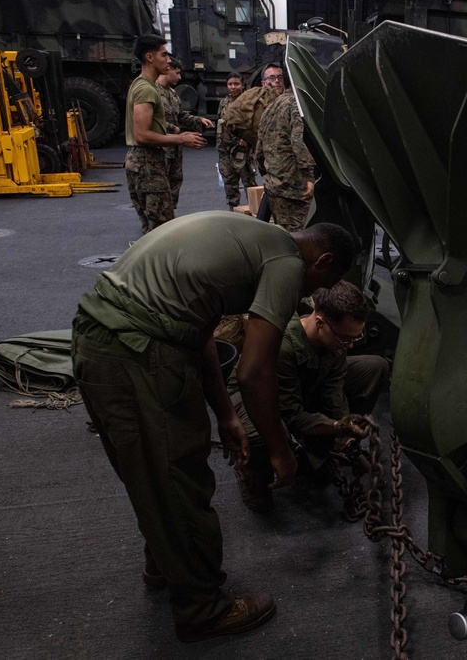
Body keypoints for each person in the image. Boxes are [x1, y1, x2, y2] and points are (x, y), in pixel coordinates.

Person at [71, 212, 356, 642]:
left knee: (153, 469)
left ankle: (167, 563)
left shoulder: (252, 239)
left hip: (106, 340)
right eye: (318, 286)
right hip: (135, 351)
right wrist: (281, 451)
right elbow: (254, 372)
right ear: (322, 261)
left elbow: (201, 331)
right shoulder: (287, 262)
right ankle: (201, 608)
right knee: (181, 476)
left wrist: (225, 415)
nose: (308, 294)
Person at [228, 281, 390, 513]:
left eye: (355, 336)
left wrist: (344, 428)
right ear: (320, 323)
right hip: (256, 394)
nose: (351, 344)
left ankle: (317, 451)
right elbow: (291, 414)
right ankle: (253, 474)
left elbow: (332, 391)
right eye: (346, 338)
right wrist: (335, 426)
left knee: (374, 367)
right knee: (262, 437)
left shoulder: (336, 341)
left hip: (302, 383)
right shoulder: (282, 346)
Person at [124, 34, 206, 234]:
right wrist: (181, 139)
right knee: (163, 232)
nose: (168, 60)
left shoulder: (141, 85)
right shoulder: (146, 90)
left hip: (141, 163)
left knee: (151, 231)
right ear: (150, 57)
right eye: (164, 54)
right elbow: (142, 134)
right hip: (148, 164)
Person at [254, 63, 316, 232]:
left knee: (284, 233)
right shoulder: (296, 104)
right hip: (292, 187)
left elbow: (259, 146)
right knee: (297, 236)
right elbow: (299, 141)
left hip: (274, 184)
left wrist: (266, 172)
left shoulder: (272, 105)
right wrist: (309, 177)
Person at [156, 57, 214, 209]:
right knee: (159, 187)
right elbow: (151, 121)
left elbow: (180, 116)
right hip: (160, 148)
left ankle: (169, 214)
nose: (180, 77)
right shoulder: (152, 92)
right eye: (178, 73)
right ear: (168, 70)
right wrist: (173, 129)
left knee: (174, 182)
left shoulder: (173, 94)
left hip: (174, 148)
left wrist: (198, 120)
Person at [216, 71, 257, 210]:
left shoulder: (248, 102)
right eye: (230, 84)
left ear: (242, 85)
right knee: (230, 186)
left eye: (236, 84)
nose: (233, 87)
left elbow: (255, 124)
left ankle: (256, 214)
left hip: (244, 152)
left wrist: (247, 138)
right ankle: (234, 212)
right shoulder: (224, 102)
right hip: (226, 151)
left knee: (250, 185)